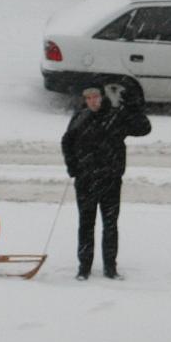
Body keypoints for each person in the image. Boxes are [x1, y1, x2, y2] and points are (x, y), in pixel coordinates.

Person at [61, 84, 151, 280]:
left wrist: (133, 108)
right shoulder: (80, 117)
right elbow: (67, 142)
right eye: (89, 98)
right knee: (86, 224)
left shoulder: (116, 116)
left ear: (102, 98)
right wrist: (72, 166)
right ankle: (84, 267)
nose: (93, 101)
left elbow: (144, 128)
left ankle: (110, 267)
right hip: (85, 181)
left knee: (110, 225)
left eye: (96, 97)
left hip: (110, 180)